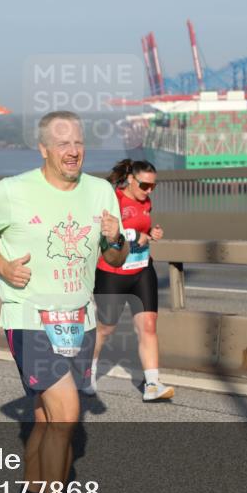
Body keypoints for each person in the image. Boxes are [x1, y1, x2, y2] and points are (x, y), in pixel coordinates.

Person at [0, 111, 127, 493]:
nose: (72, 150)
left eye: (77, 142)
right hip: (30, 317)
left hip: (79, 320)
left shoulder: (101, 191)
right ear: (44, 149)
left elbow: (117, 254)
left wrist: (116, 238)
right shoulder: (13, 191)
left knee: (45, 418)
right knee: (67, 412)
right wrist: (2, 266)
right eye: (62, 144)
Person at [88, 158, 174, 401]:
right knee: (105, 328)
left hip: (141, 270)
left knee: (148, 326)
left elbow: (143, 228)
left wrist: (151, 234)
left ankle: (153, 384)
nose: (148, 191)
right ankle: (86, 372)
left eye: (152, 187)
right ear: (130, 179)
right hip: (112, 273)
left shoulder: (146, 201)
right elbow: (102, 231)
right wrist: (137, 235)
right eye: (144, 185)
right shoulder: (113, 200)